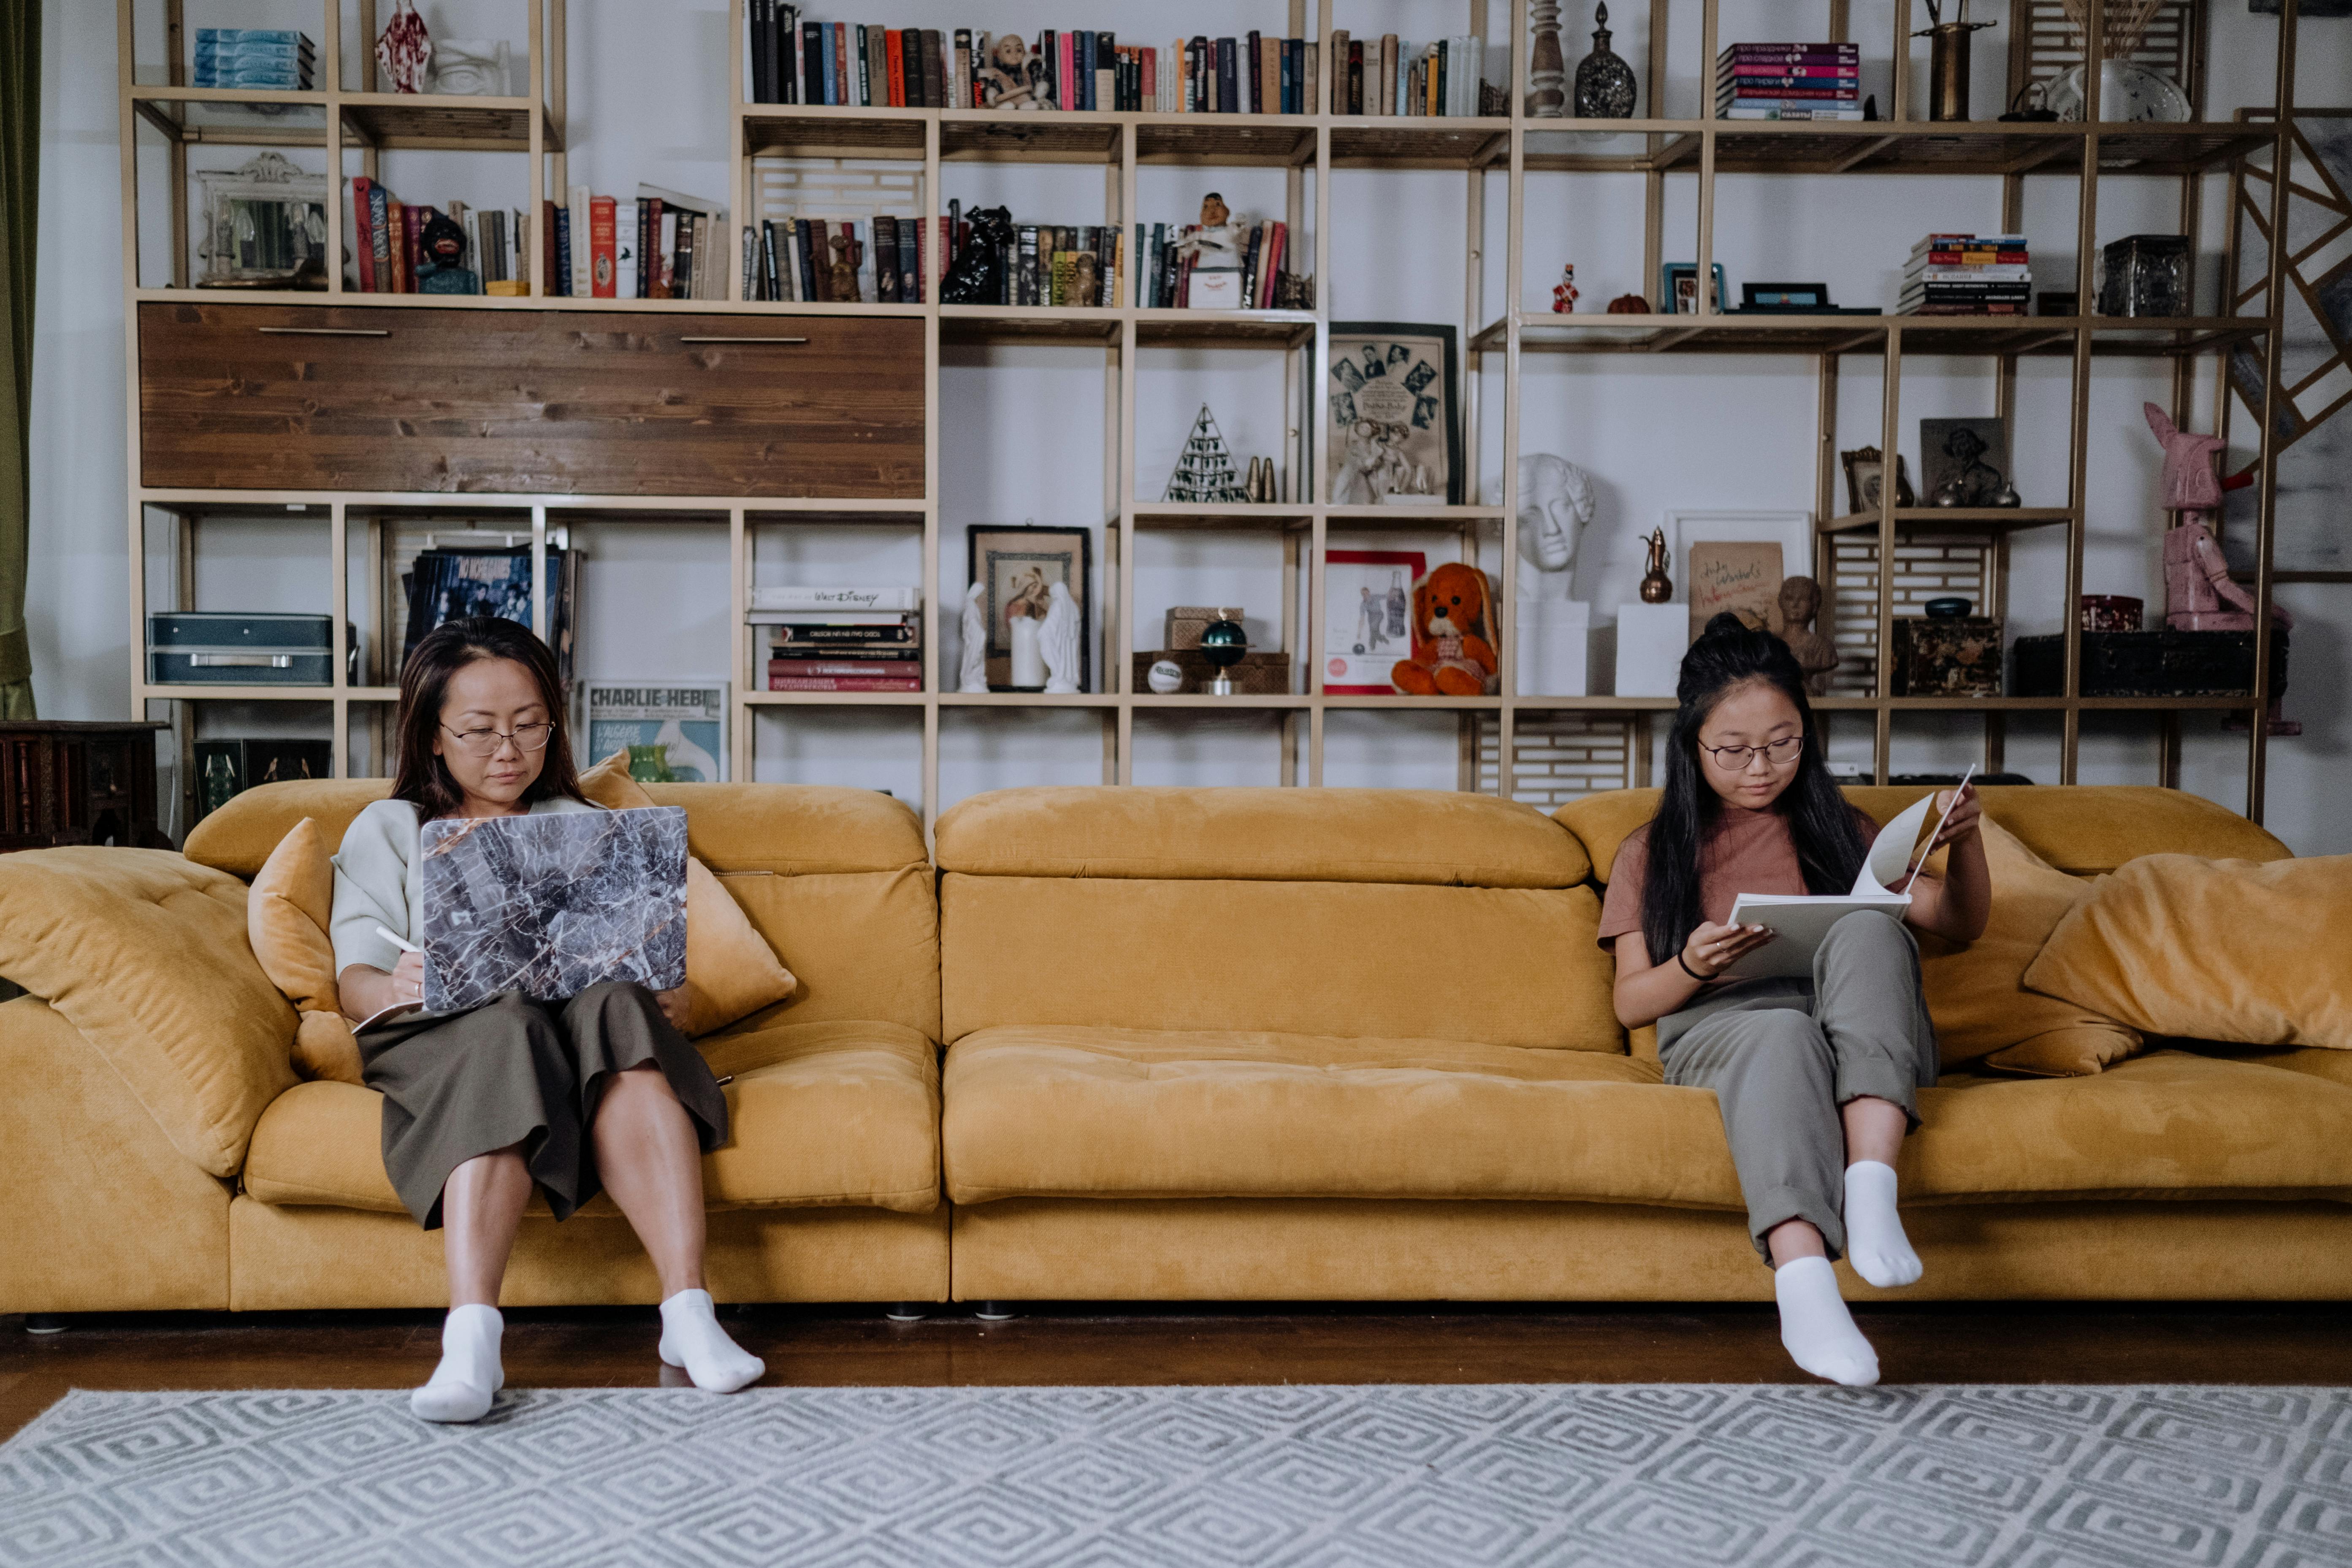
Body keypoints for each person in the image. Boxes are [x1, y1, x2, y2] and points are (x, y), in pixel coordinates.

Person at [332, 617, 764, 1422]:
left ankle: (688, 1315)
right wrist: (397, 982)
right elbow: (351, 983)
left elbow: (650, 964)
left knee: (620, 1007)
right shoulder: (387, 829)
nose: (509, 750)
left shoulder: (582, 821)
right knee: (505, 1029)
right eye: (481, 730)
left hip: (574, 1022)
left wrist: (678, 998)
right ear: (431, 735)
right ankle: (472, 1340)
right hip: (443, 1029)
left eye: (530, 727)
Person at [1598, 612, 1987, 1386]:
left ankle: (1872, 1187)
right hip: (1728, 1029)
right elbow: (1633, 1005)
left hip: (1861, 1027)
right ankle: (1805, 1287)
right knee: (1780, 1032)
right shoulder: (1651, 853)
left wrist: (1966, 842)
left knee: (1871, 932)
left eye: (1783, 743)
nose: (1761, 768)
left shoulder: (1840, 830)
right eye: (1734, 751)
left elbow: (1960, 925)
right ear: (1692, 746)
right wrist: (1693, 963)